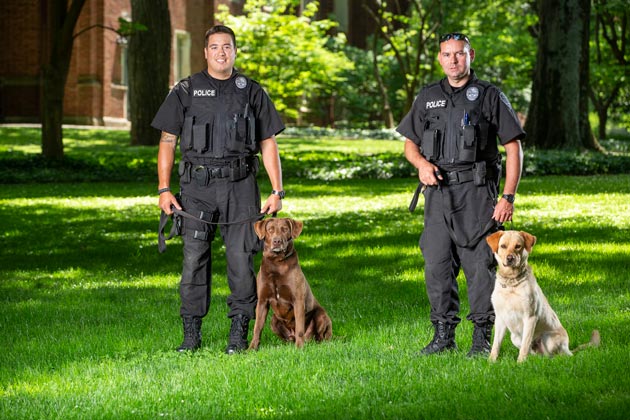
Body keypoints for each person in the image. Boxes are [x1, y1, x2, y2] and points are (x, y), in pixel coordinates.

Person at [151, 25, 285, 354]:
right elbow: (167, 141)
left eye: (227, 47)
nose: (221, 53)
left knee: (241, 260)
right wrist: (164, 189)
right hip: (196, 189)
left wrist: (277, 191)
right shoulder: (185, 90)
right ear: (205, 53)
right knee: (194, 260)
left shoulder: (252, 91)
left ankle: (239, 332)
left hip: (241, 188)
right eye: (214, 47)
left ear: (235, 52)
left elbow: (269, 143)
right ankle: (191, 334)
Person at [397, 32, 525, 357]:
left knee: (479, 266)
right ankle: (443, 336)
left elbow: (514, 147)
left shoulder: (489, 96)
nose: (453, 60)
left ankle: (482, 339)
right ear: (439, 58)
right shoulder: (428, 98)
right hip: (437, 194)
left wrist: (507, 197)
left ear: (471, 56)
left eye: (459, 54)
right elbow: (409, 144)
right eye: (447, 54)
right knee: (437, 265)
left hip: (477, 193)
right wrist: (421, 164)